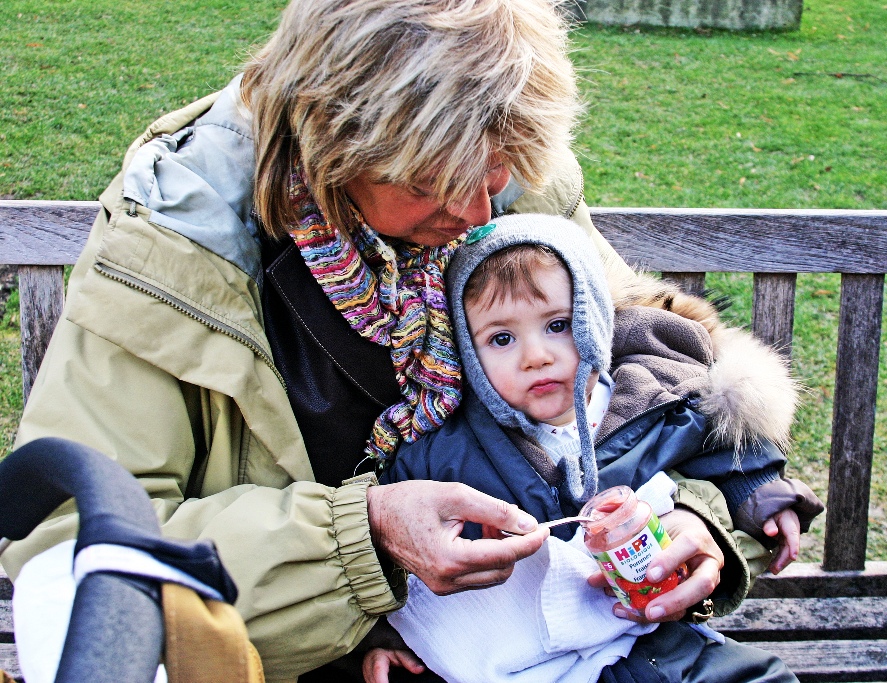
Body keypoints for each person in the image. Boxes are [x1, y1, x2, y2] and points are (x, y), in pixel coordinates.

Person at [0, 0, 799, 681]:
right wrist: (366, 538)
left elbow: (654, 391)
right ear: (332, 141)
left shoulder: (508, 173)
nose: (482, 212)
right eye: (432, 179)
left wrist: (702, 523)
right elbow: (77, 558)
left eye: (498, 172)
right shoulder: (177, 245)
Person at [378, 214, 823, 682]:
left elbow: (722, 445)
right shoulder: (447, 450)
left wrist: (761, 494)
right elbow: (396, 548)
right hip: (532, 663)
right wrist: (384, 635)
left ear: (596, 317)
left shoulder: (652, 398)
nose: (536, 356)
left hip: (654, 637)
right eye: (502, 338)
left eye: (558, 325)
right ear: (467, 352)